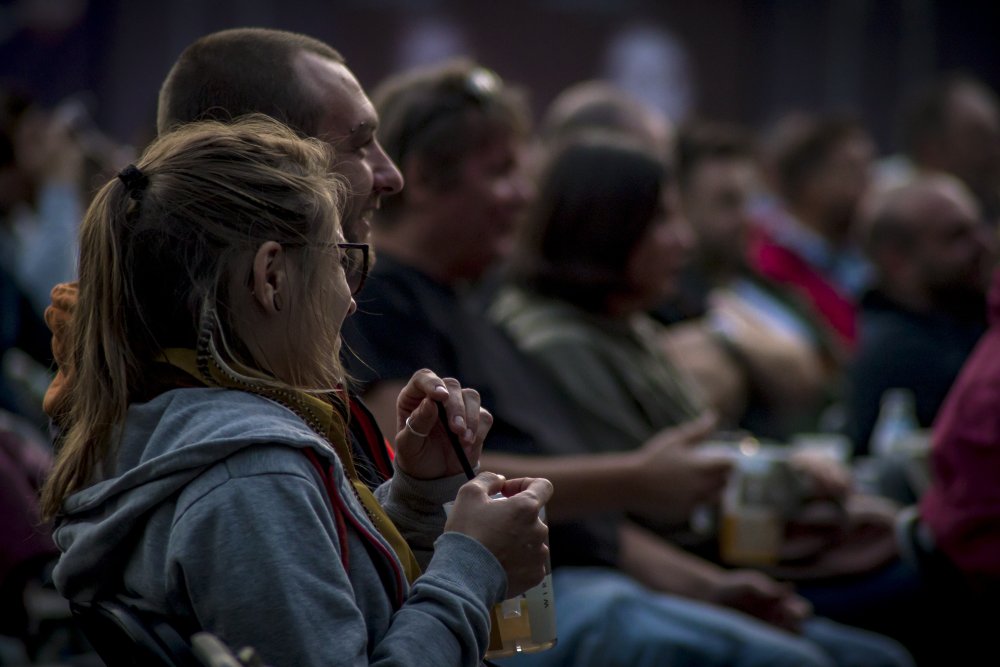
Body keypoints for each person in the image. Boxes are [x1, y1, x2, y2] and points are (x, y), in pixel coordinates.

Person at [344, 58, 914, 667]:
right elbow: (421, 466)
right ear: (425, 178)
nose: (526, 194)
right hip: (516, 599)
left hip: (588, 580)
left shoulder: (471, 304)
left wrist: (706, 587)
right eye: (503, 172)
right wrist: (640, 478)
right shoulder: (383, 296)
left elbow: (583, 522)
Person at [43, 116, 552, 667]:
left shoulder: (161, 429)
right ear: (271, 277)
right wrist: (472, 565)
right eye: (340, 260)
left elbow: (336, 596)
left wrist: (418, 498)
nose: (351, 300)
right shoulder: (253, 478)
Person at [493, 132, 927, 664]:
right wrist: (789, 488)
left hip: (720, 556)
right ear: (604, 228)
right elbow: (659, 507)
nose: (684, 241)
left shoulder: (628, 326)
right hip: (676, 570)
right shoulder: (557, 343)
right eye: (660, 221)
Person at [43, 26, 404, 495]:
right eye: (359, 144)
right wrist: (465, 540)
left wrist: (419, 497)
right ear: (268, 158)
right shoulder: (245, 459)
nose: (391, 175)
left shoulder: (234, 364)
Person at [848, 174, 992, 457]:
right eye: (956, 236)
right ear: (896, 260)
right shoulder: (898, 354)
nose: (984, 245)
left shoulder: (968, 318)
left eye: (979, 228)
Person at [750, 114, 876, 353]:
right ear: (809, 181)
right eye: (851, 170)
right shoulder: (768, 264)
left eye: (869, 168)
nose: (868, 183)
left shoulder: (866, 254)